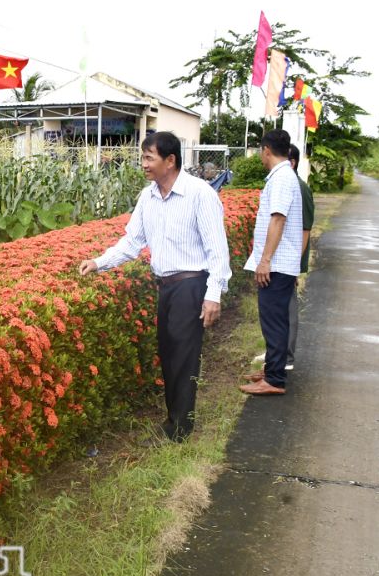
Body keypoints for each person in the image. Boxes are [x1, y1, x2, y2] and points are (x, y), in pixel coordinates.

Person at [79, 131, 231, 443]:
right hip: (166, 287)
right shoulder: (148, 196)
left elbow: (218, 250)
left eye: (149, 157)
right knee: (169, 353)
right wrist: (99, 262)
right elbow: (133, 241)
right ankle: (174, 421)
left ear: (170, 160)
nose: (143, 164)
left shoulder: (199, 194)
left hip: (191, 285)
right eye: (143, 157)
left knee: (184, 357)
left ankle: (180, 429)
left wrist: (213, 294)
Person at [240, 130, 304, 396]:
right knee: (274, 319)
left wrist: (264, 261)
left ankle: (275, 379)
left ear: (266, 150)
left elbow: (277, 220)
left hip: (276, 264)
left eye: (259, 151)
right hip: (279, 263)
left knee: (274, 321)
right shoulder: (284, 176)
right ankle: (272, 369)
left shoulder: (281, 179)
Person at [286, 144, 315, 369]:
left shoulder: (300, 188)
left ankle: (286, 358)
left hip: (289, 260)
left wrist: (295, 265)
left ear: (292, 162)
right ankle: (276, 354)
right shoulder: (287, 184)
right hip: (284, 259)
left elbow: (305, 229)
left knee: (287, 307)